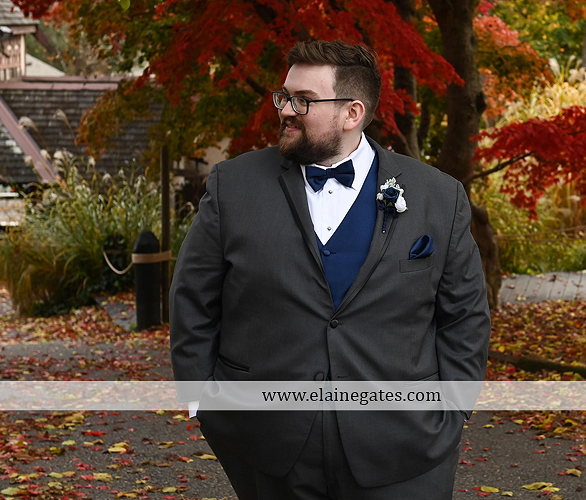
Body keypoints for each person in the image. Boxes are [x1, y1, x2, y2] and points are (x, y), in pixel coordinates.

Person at [170, 40, 491, 500]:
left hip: (406, 447)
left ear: (352, 113)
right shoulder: (233, 186)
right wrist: (201, 399)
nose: (286, 110)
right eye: (284, 96)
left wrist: (454, 407)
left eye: (304, 100)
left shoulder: (438, 196)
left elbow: (465, 315)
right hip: (266, 443)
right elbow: (193, 297)